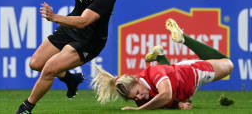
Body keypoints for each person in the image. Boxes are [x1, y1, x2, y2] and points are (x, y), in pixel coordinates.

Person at [15, 0, 118, 114]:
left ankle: (25, 108)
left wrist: (54, 17)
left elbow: (84, 21)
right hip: (71, 27)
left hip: (89, 40)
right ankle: (70, 79)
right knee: (35, 63)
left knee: (49, 69)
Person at [91, 18, 234, 110]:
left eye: (138, 93)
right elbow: (164, 103)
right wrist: (178, 106)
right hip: (178, 82)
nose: (139, 98)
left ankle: (184, 39)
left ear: (137, 80)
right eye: (134, 98)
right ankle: (160, 56)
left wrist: (138, 111)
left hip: (193, 72)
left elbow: (165, 95)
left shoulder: (152, 73)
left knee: (228, 64)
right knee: (170, 79)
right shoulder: (142, 99)